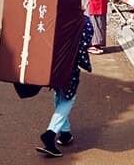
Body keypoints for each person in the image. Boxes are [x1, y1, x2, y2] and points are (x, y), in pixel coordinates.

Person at [36, 19, 93, 158]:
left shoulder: (54, 17)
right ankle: (50, 133)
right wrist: (86, 64)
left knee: (60, 95)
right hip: (68, 67)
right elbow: (82, 47)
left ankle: (65, 133)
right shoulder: (83, 22)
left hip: (53, 66)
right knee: (68, 99)